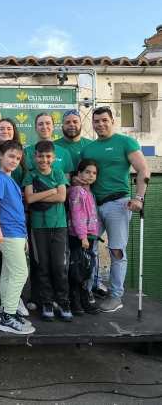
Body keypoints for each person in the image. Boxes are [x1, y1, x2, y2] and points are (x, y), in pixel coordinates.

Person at [80, 106, 150, 313]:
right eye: (96, 121)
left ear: (112, 121)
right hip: (93, 204)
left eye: (104, 120)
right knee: (88, 248)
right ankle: (89, 289)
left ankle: (115, 295)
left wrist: (139, 198)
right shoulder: (88, 149)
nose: (100, 124)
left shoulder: (126, 142)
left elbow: (143, 169)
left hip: (118, 204)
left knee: (116, 250)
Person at [0, 140, 35, 335]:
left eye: (18, 158)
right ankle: (8, 317)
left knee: (8, 274)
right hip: (8, 233)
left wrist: (24, 237)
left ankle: (7, 308)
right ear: (0, 156)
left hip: (17, 234)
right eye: (11, 156)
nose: (14, 160)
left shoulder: (10, 179)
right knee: (20, 273)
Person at [23, 140, 72, 322]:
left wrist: (41, 195)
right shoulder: (30, 175)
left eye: (48, 156)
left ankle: (63, 302)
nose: (44, 160)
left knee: (59, 266)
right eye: (40, 156)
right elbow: (29, 199)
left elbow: (62, 196)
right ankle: (47, 302)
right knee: (42, 266)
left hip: (59, 226)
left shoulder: (58, 172)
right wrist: (51, 191)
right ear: (34, 156)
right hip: (38, 227)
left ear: (54, 157)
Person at [67, 159, 100, 315]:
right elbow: (77, 215)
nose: (91, 175)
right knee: (77, 269)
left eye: (94, 173)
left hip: (90, 236)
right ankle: (75, 301)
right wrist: (83, 237)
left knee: (86, 269)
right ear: (79, 173)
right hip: (79, 237)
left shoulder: (88, 192)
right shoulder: (77, 191)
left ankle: (84, 299)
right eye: (87, 172)